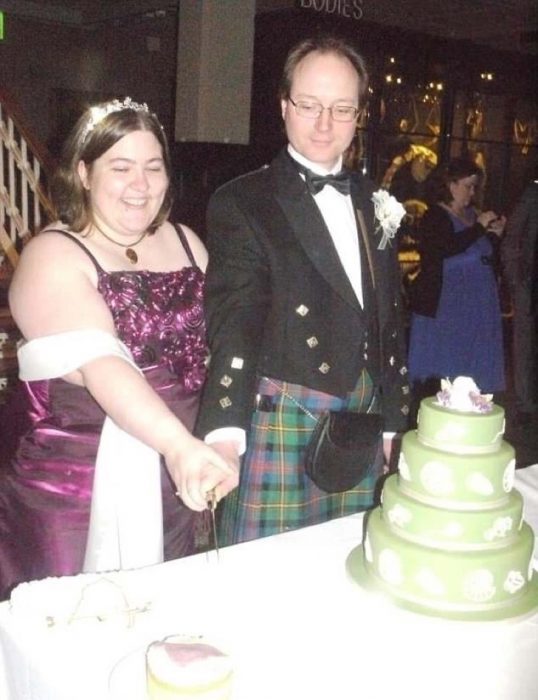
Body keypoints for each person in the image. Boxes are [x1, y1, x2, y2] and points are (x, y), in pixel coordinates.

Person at [0, 98, 237, 599]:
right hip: (72, 493)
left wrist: (221, 438)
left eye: (154, 167)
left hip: (174, 476)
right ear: (84, 173)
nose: (141, 184)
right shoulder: (52, 254)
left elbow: (222, 343)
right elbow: (104, 364)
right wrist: (179, 446)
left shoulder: (187, 241)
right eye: (121, 167)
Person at [195, 36, 410, 546]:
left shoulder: (373, 199)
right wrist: (224, 432)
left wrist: (394, 425)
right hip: (285, 411)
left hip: (361, 414)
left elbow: (389, 319)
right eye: (309, 105)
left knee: (350, 562)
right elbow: (235, 319)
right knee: (266, 578)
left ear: (359, 114)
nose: (324, 124)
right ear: (284, 106)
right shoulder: (244, 200)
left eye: (341, 109)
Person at [407, 157, 506, 415]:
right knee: (446, 367)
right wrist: (479, 229)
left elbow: (481, 255)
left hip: (478, 304)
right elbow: (443, 249)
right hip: (448, 307)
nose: (472, 193)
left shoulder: (473, 216)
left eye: (474, 187)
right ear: (451, 186)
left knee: (474, 370)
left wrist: (494, 236)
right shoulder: (435, 216)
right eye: (468, 186)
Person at [501, 168, 538, 421]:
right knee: (524, 343)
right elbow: (512, 238)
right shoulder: (532, 195)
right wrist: (516, 280)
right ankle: (525, 404)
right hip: (530, 282)